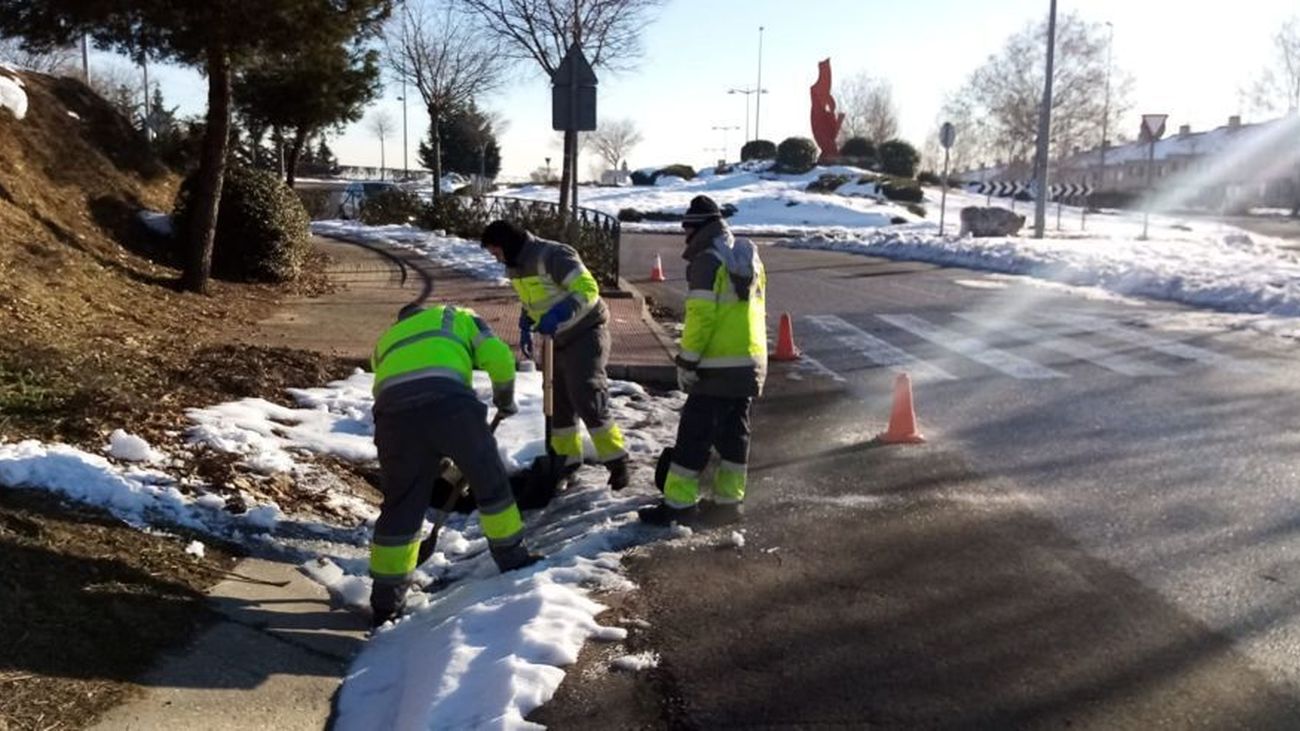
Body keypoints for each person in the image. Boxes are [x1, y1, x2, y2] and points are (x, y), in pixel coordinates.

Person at [368, 302, 540, 628]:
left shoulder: (387, 339)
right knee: (488, 479)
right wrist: (504, 400)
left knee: (401, 504)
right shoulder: (456, 316)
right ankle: (513, 558)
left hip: (393, 420)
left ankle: (385, 603)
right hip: (450, 406)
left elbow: (387, 381)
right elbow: (500, 357)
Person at [639, 195, 767, 526]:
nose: (684, 236)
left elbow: (700, 318)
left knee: (693, 437)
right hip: (749, 364)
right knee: (734, 437)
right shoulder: (747, 257)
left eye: (687, 228)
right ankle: (728, 503)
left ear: (698, 228)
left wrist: (687, 361)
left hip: (715, 367)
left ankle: (678, 506)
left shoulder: (707, 261)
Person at [480, 219, 630, 490]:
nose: (496, 258)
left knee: (586, 394)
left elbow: (587, 290)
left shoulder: (554, 255)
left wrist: (561, 313)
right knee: (558, 402)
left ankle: (617, 461)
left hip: (585, 331)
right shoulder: (515, 266)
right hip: (555, 338)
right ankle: (566, 462)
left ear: (508, 245)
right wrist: (526, 320)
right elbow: (536, 298)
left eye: (496, 251)